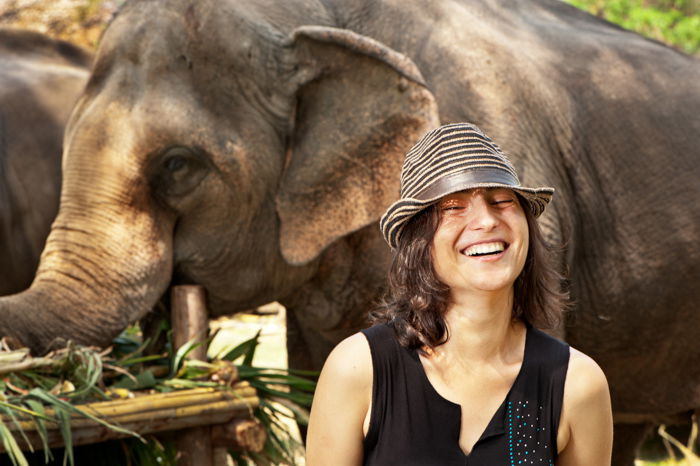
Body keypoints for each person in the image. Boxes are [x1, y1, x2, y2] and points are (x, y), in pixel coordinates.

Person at [306, 123, 613, 465]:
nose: (486, 221)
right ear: (419, 242)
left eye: (501, 201)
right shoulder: (357, 370)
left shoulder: (577, 384)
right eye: (453, 207)